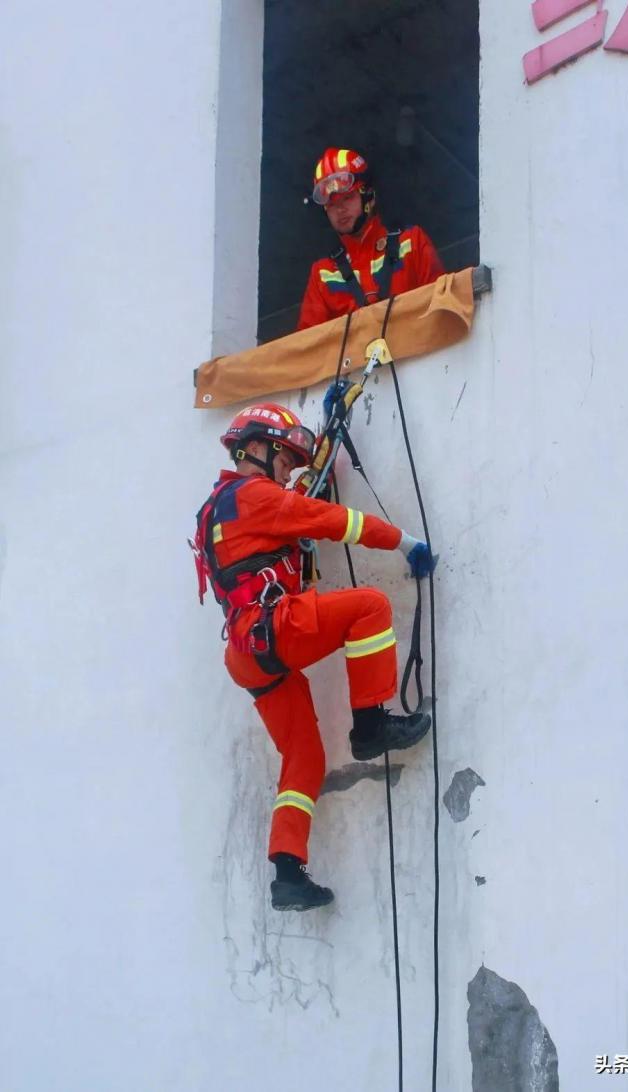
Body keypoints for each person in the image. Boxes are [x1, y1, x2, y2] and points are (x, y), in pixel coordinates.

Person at [191, 401, 435, 911]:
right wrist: (401, 540)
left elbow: (287, 519)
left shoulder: (222, 505)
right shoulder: (253, 494)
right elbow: (327, 520)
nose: (286, 474)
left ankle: (287, 873)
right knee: (369, 606)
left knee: (304, 758)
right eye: (283, 461)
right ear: (254, 449)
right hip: (273, 629)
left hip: (245, 652)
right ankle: (370, 725)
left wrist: (312, 468)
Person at [297, 147, 445, 331]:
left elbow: (441, 310)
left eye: (348, 198)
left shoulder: (411, 242)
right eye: (331, 204)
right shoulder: (322, 273)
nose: (340, 209)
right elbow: (309, 345)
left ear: (369, 197)